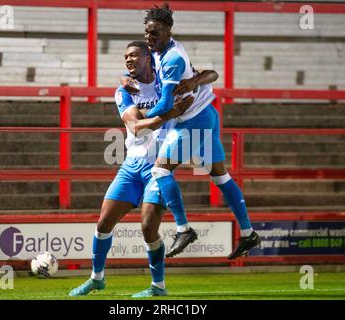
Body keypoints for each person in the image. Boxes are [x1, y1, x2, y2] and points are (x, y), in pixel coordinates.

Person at [68, 40, 218, 298]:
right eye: (125, 56)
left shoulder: (167, 79)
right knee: (104, 223)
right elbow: (137, 127)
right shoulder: (124, 90)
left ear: (150, 58)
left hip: (158, 167)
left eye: (134, 55)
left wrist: (197, 80)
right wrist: (168, 115)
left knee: (149, 227)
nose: (128, 60)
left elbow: (211, 74)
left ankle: (158, 287)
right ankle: (96, 278)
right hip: (131, 167)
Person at [139, 4, 261, 260]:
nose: (150, 38)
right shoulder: (164, 51)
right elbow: (210, 73)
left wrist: (140, 119)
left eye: (156, 33)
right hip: (207, 113)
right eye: (147, 33)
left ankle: (184, 229)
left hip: (195, 120)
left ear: (168, 31)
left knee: (160, 169)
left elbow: (163, 106)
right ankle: (249, 233)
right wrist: (195, 80)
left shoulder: (171, 58)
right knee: (220, 177)